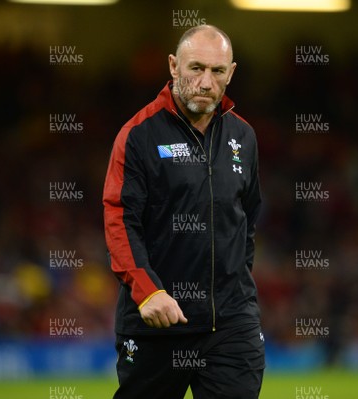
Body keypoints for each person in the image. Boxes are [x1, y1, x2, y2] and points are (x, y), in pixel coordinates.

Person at [103, 24, 264, 399]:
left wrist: (235, 290)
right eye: (196, 68)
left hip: (230, 324)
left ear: (231, 73)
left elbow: (248, 220)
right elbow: (119, 220)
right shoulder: (138, 135)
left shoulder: (244, 138)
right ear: (174, 66)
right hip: (155, 321)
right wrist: (146, 292)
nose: (206, 82)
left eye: (217, 71)